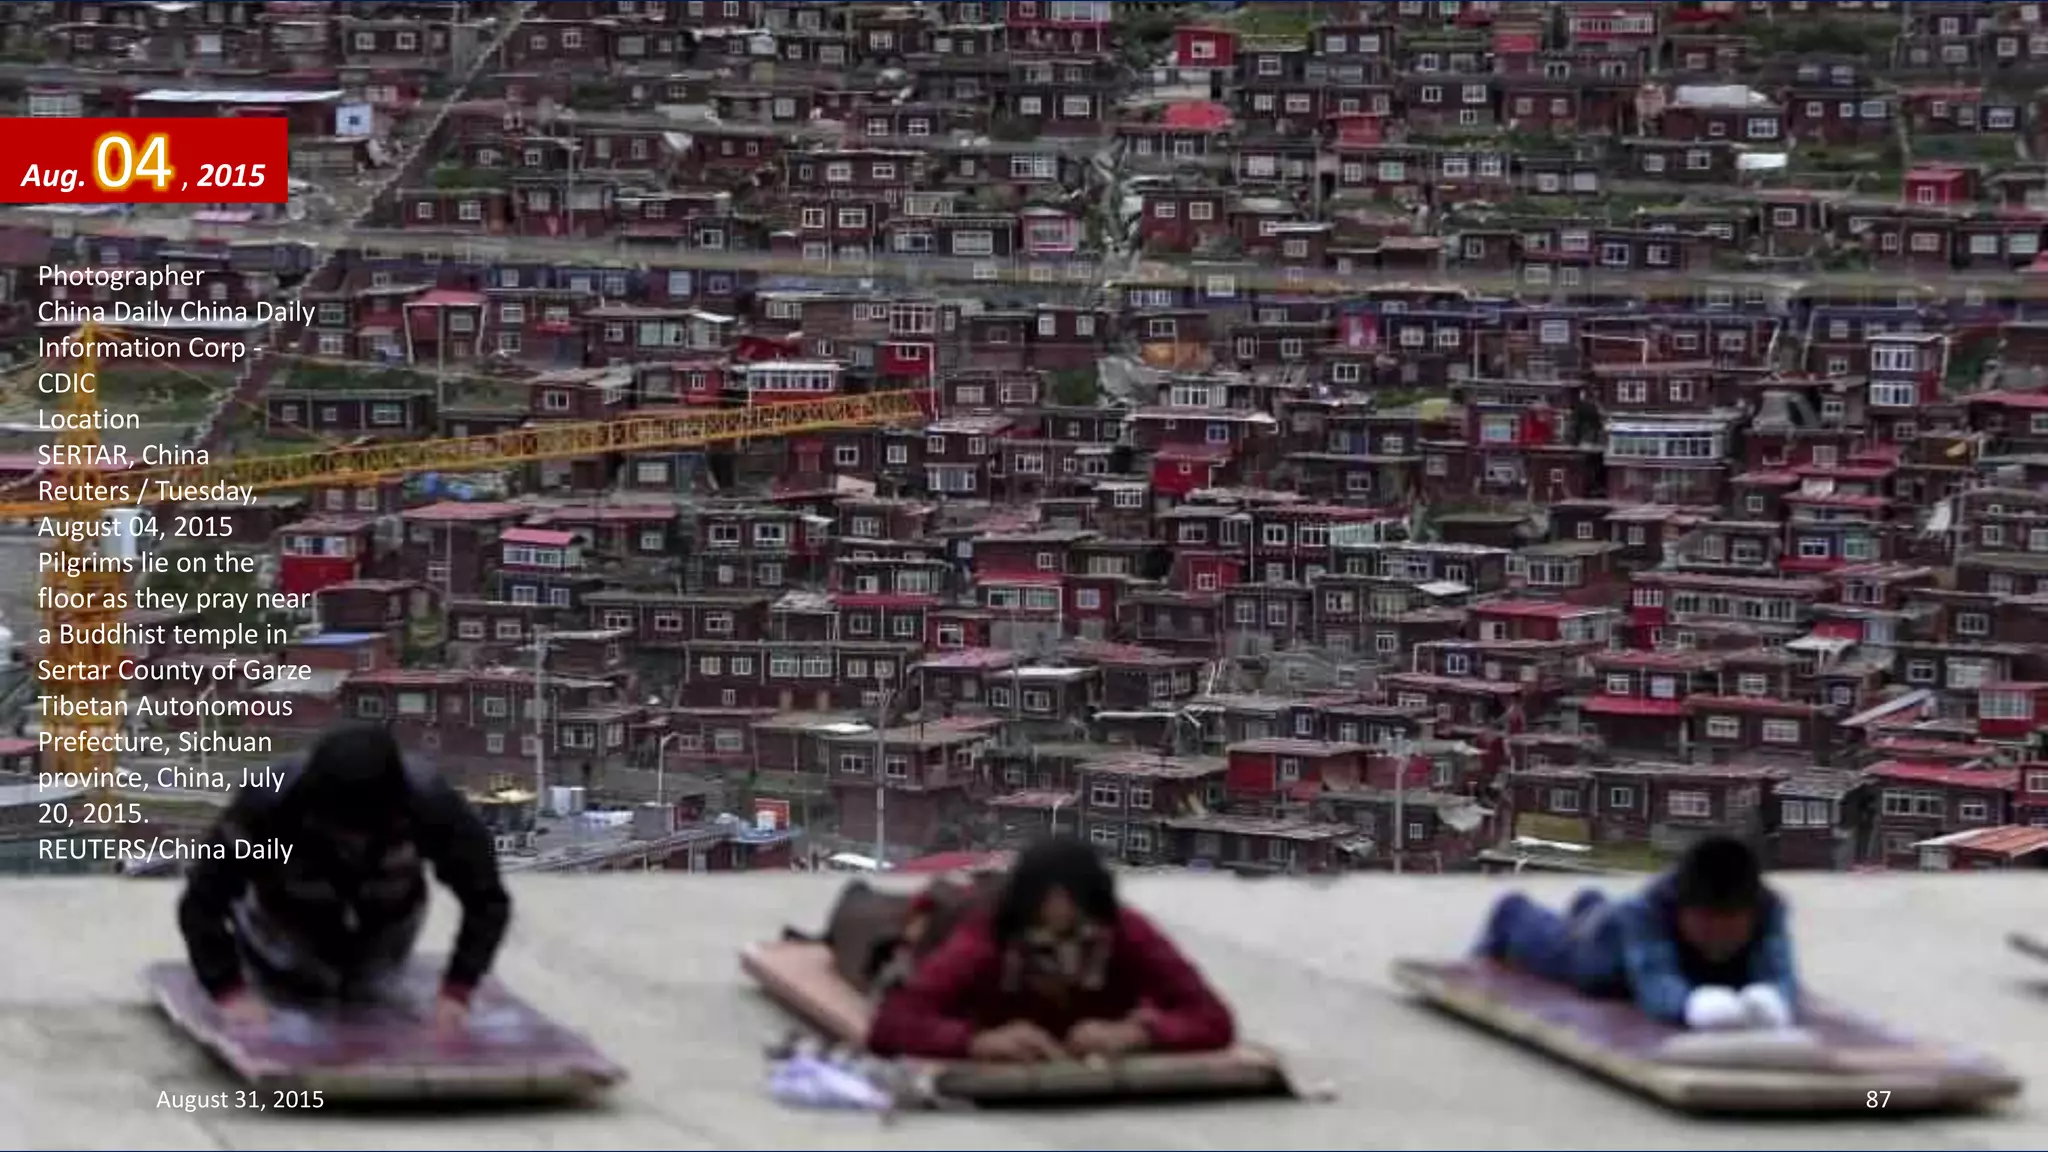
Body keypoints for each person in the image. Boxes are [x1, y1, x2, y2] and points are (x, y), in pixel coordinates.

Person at [176, 724, 513, 1030]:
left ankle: (362, 963)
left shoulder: (434, 805)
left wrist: (457, 990)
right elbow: (201, 901)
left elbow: (486, 899)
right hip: (281, 921)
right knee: (299, 974)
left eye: (365, 832)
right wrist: (229, 992)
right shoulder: (266, 802)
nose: (352, 844)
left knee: (366, 983)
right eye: (342, 831)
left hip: (386, 923)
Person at [866, 836, 1236, 1062]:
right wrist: (975, 1041)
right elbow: (893, 1023)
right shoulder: (987, 936)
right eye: (1044, 934)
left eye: (1076, 930)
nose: (1061, 951)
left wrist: (1138, 1033)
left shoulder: (1126, 932)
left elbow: (1211, 1017)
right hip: (935, 928)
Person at [1474, 835, 1796, 1031]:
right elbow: (1654, 983)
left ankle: (1590, 906)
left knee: (1601, 915)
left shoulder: (1769, 907)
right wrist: (1690, 1006)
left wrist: (1774, 998)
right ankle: (1514, 914)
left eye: (1730, 927)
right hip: (1606, 958)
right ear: (1683, 911)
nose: (1718, 938)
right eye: (1707, 925)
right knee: (1573, 959)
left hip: (1660, 949)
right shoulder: (1647, 911)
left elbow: (1780, 972)